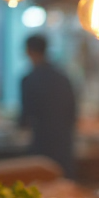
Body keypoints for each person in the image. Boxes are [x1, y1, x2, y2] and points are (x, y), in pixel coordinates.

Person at [19, 34, 78, 178]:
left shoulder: (29, 80)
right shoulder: (63, 77)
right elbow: (73, 112)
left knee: (41, 188)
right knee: (65, 188)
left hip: (41, 145)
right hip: (64, 145)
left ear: (28, 51)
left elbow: (24, 118)